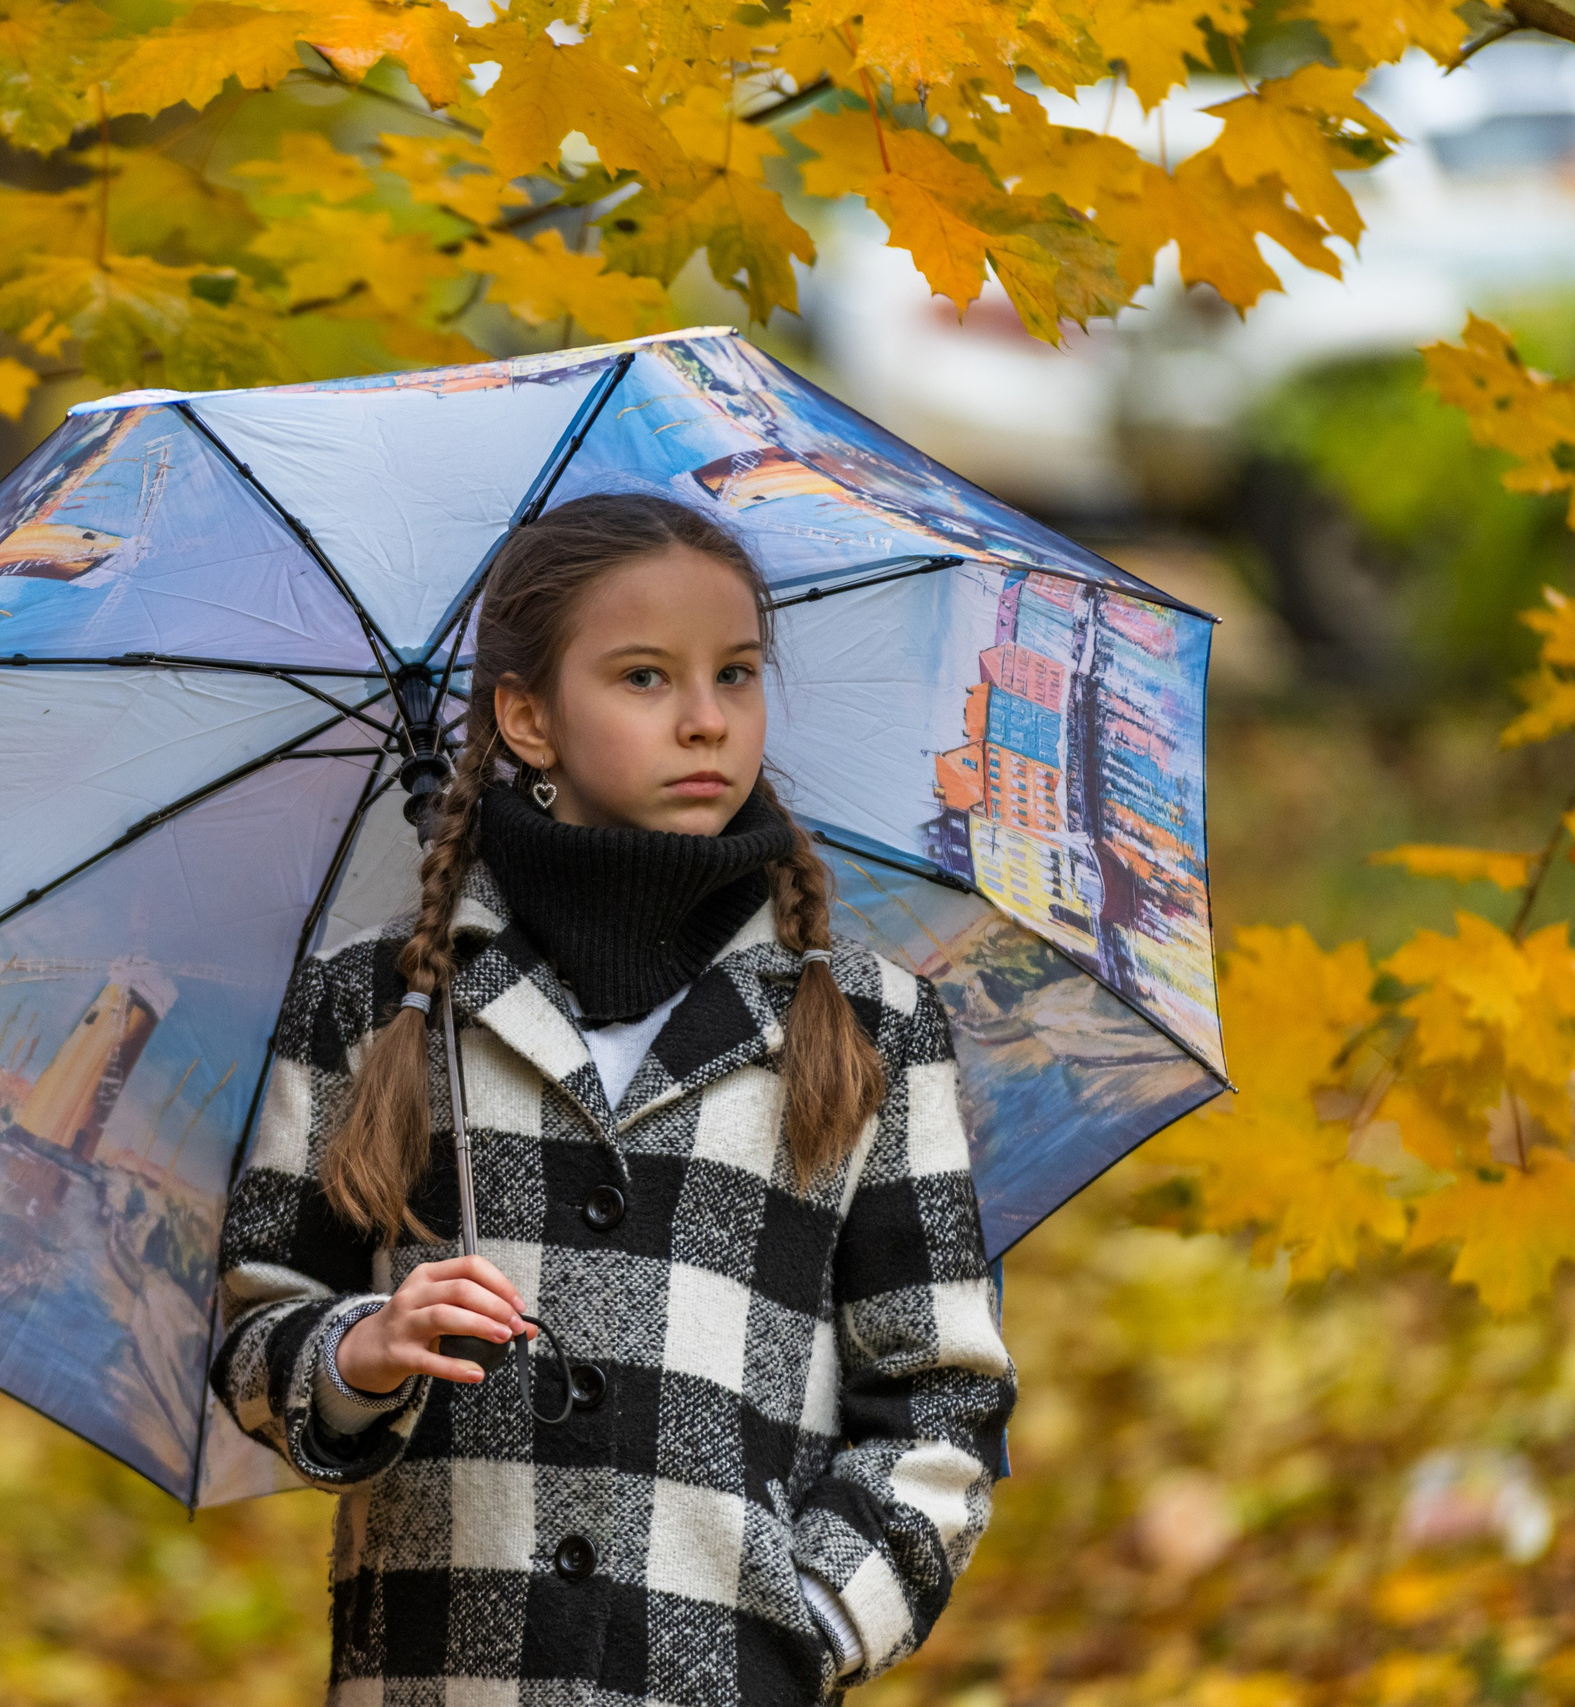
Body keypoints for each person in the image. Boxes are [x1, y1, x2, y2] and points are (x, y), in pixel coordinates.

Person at [212, 491, 1015, 1706]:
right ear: (527, 718)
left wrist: (810, 1623)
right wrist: (358, 1354)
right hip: (442, 1677)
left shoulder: (868, 1025)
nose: (705, 721)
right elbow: (260, 1315)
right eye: (644, 679)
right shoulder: (373, 1003)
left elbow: (940, 1388)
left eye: (736, 675)